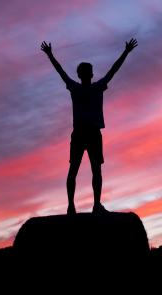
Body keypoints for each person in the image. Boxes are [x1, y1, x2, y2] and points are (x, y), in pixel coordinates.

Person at [40, 38, 138, 214]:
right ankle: (94, 205)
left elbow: (61, 71)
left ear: (80, 75)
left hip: (82, 133)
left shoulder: (76, 87)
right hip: (89, 133)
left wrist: (50, 55)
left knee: (76, 169)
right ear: (90, 74)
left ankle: (74, 205)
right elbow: (113, 71)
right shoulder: (95, 87)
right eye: (89, 71)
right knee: (93, 170)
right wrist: (126, 52)